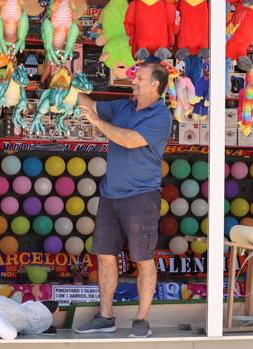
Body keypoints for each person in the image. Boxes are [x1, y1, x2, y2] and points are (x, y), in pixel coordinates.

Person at [75, 62, 172, 337]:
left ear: (155, 84)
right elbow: (90, 104)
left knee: (143, 259)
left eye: (139, 77)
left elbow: (130, 140)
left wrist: (98, 123)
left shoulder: (161, 116)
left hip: (141, 198)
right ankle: (105, 316)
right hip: (110, 195)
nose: (134, 81)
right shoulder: (123, 107)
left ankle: (141, 320)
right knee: (104, 256)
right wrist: (67, 85)